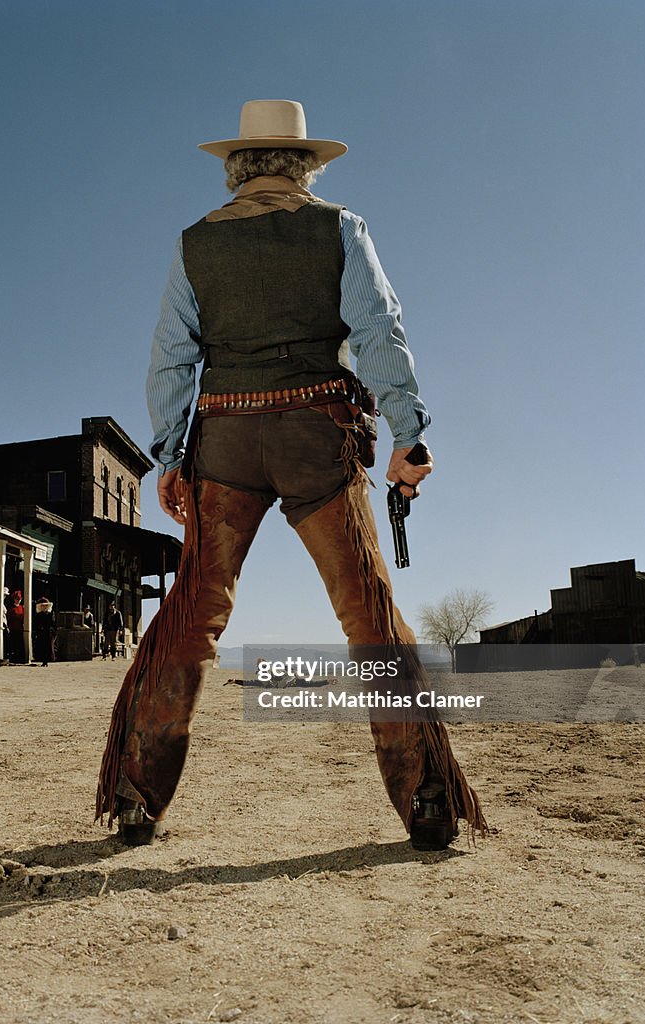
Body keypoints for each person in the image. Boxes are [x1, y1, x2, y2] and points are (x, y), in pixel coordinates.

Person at [96, 99, 486, 849]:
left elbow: (171, 356)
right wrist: (410, 434)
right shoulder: (339, 227)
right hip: (319, 434)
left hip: (225, 442)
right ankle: (426, 796)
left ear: (235, 169)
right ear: (305, 166)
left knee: (194, 612)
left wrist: (169, 455)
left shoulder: (193, 244)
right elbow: (379, 329)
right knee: (366, 613)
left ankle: (137, 796)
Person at [33, 596, 56, 667]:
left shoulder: (51, 614)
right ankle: (43, 660)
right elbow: (36, 623)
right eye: (42, 606)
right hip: (41, 633)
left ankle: (47, 660)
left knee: (48, 647)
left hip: (49, 632)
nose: (44, 607)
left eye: (45, 605)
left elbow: (53, 623)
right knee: (41, 647)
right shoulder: (38, 615)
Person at [6, 589, 26, 664]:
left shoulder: (22, 608)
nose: (18, 600)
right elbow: (8, 618)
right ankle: (13, 658)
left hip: (20, 628)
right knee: (13, 645)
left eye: (19, 599)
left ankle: (20, 658)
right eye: (17, 599)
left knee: (19, 644)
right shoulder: (11, 608)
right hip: (12, 628)